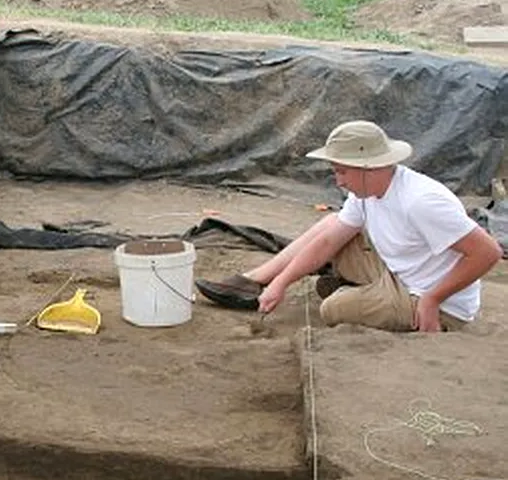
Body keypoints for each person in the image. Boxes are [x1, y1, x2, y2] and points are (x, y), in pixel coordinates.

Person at [195, 120, 501, 332]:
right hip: (398, 267)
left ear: (368, 167)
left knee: (333, 308)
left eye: (342, 171)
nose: (338, 180)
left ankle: (362, 293)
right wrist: (280, 283)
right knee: (334, 230)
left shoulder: (422, 201)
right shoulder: (366, 191)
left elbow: (488, 252)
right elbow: (328, 242)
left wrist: (433, 299)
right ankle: (258, 280)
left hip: (430, 296)